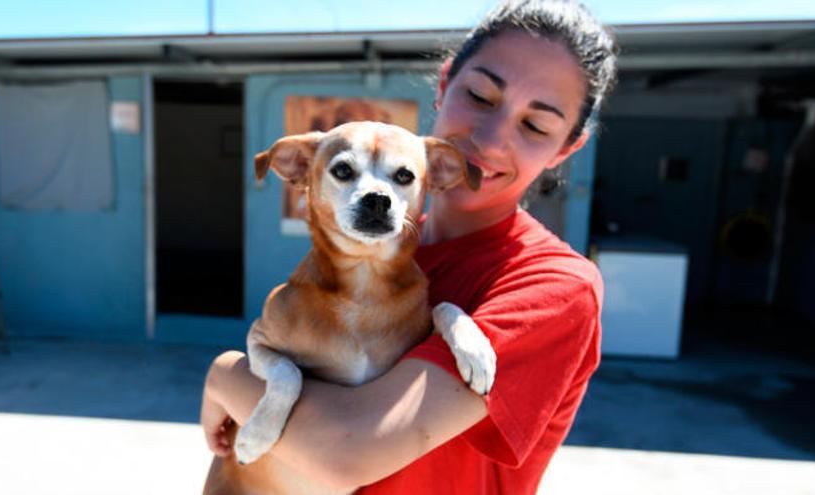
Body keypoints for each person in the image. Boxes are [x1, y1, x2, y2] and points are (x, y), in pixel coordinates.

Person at [200, 0, 618, 493]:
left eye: (535, 126)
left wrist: (225, 377)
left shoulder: (552, 285)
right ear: (444, 85)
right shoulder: (366, 248)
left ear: (566, 148)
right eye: (481, 96)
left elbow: (345, 452)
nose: (489, 139)